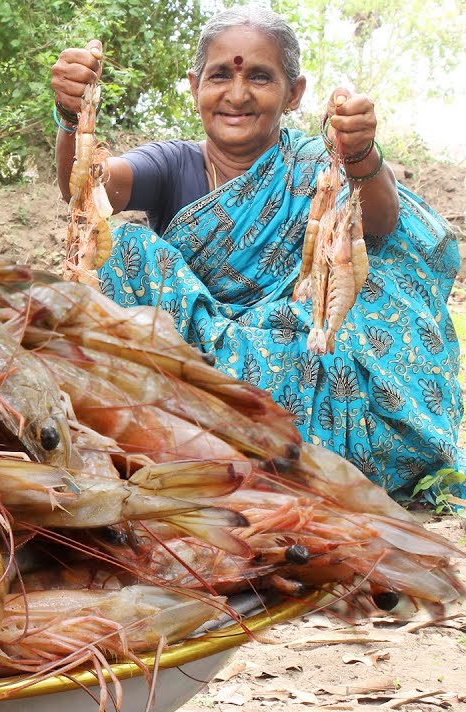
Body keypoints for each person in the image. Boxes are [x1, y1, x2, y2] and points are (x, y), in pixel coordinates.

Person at [50, 5, 461, 498]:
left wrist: (360, 155)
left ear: (294, 94)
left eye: (261, 78)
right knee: (121, 251)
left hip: (290, 360)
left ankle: (251, 449)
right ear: (195, 85)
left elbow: (379, 222)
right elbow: (88, 188)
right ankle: (191, 435)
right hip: (193, 367)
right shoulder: (171, 164)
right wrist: (73, 119)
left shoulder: (315, 164)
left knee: (359, 278)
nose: (237, 94)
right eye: (220, 75)